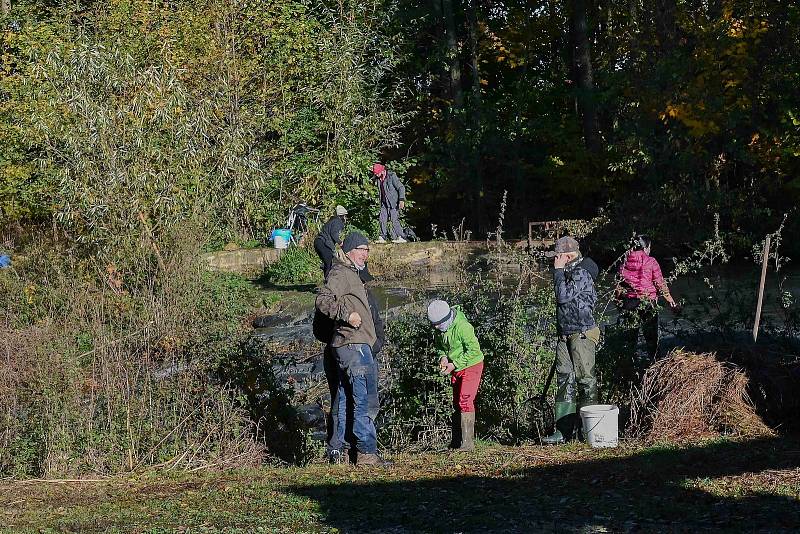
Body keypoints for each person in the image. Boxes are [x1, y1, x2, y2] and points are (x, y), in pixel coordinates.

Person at [315, 232, 391, 467]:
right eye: (361, 249)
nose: (366, 254)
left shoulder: (353, 276)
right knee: (363, 401)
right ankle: (367, 452)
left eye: (368, 249)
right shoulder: (341, 273)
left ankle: (348, 452)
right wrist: (347, 315)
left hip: (359, 344)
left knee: (350, 400)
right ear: (348, 251)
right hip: (353, 345)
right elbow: (323, 300)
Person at [542, 236, 601, 445]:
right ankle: (563, 432)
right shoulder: (567, 271)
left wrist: (557, 270)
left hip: (582, 334)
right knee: (564, 380)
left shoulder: (581, 272)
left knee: (586, 380)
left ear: (567, 255)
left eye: (556, 256)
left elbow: (562, 295)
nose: (554, 260)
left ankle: (589, 431)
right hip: (565, 334)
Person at [427, 300, 484, 451]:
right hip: (457, 367)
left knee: (465, 400)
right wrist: (443, 358)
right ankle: (456, 442)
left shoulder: (463, 327)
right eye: (434, 325)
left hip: (472, 365)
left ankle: (467, 444)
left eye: (438, 324)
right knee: (456, 402)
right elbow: (440, 347)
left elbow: (475, 351)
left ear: (447, 318)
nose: (436, 328)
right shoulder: (439, 328)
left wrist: (454, 364)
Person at [617, 235, 677, 361]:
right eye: (649, 247)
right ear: (646, 247)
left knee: (630, 341)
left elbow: (618, 288)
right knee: (651, 341)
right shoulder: (651, 261)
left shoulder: (624, 262)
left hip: (629, 304)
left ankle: (628, 368)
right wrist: (671, 301)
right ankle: (654, 366)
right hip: (648, 303)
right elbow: (660, 284)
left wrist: (619, 304)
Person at [371, 163, 407, 244]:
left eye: (377, 173)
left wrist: (401, 199)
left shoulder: (391, 176)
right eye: (375, 173)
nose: (376, 175)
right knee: (382, 219)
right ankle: (382, 237)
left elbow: (401, 187)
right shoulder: (378, 178)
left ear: (382, 171)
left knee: (394, 220)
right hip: (384, 203)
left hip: (394, 203)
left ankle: (401, 236)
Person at [314, 205, 348, 278]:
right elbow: (334, 234)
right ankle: (328, 283)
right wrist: (341, 243)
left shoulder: (332, 221)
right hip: (323, 243)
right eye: (345, 216)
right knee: (329, 262)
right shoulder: (337, 222)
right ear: (342, 216)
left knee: (328, 262)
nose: (345, 218)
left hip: (318, 242)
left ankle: (327, 277)